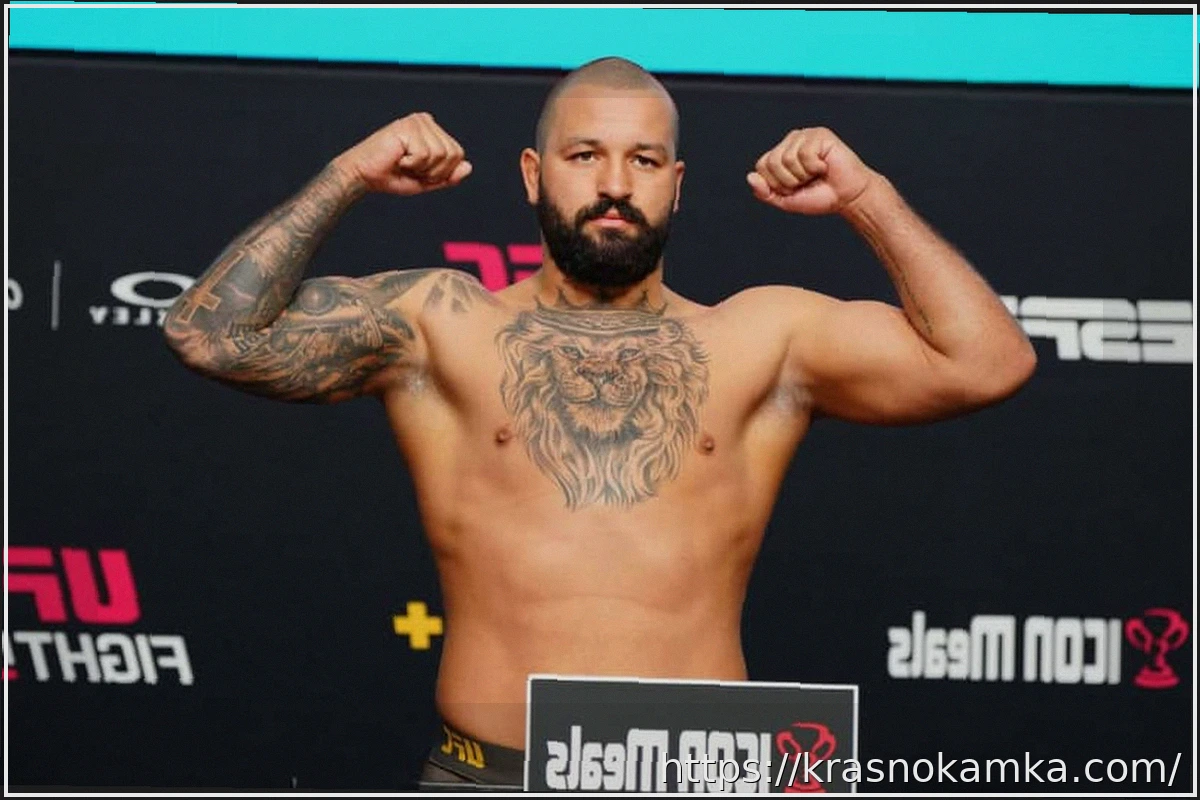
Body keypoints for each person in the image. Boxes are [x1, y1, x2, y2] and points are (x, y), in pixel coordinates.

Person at [163, 57, 1036, 790]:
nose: (615, 185)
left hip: (697, 776)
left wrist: (866, 196)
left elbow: (988, 362)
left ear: (676, 186)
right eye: (585, 155)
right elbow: (211, 336)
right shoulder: (443, 323)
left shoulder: (762, 337)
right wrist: (348, 174)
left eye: (644, 161)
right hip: (491, 776)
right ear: (534, 175)